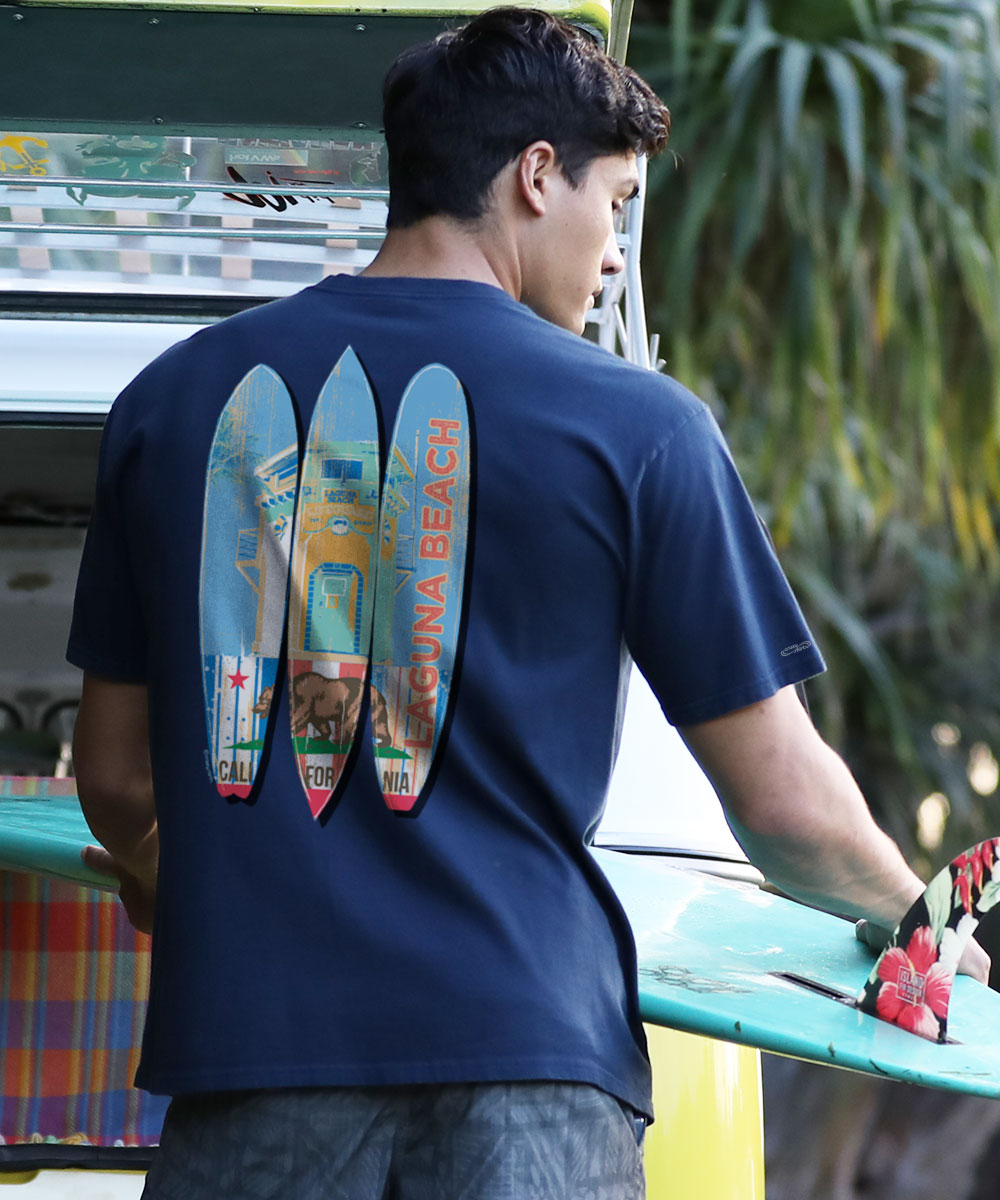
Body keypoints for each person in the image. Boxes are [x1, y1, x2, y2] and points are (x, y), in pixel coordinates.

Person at [68, 7, 989, 1199]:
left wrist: (157, 875)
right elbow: (781, 803)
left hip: (260, 1061)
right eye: (615, 205)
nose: (614, 251)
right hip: (532, 1071)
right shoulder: (637, 427)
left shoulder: (173, 400)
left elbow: (119, 780)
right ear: (535, 176)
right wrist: (912, 920)